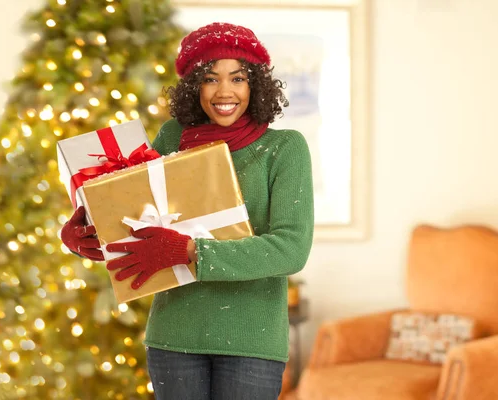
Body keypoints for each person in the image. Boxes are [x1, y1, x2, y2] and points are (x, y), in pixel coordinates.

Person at [61, 22, 314, 400]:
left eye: (238, 78)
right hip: (174, 336)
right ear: (194, 87)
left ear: (256, 85)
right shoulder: (171, 138)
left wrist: (190, 251)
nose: (224, 92)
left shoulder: (284, 149)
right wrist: (87, 234)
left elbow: (291, 248)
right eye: (210, 79)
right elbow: (142, 226)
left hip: (251, 342)